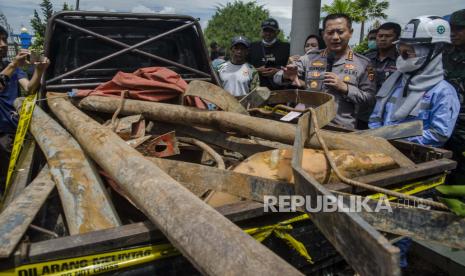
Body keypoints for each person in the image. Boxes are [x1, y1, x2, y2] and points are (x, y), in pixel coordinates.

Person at [274, 13, 376, 129]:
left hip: (341, 130)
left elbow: (370, 100)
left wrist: (346, 88)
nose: (335, 37)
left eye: (340, 32)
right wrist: (286, 75)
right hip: (309, 125)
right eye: (330, 32)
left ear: (350, 32)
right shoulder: (310, 58)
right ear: (323, 35)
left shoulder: (365, 64)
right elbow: (277, 77)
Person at [369, 16, 459, 147]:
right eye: (401, 53)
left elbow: (439, 134)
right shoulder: (394, 81)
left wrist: (395, 141)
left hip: (415, 158)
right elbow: (376, 117)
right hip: (381, 149)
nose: (403, 58)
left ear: (431, 53)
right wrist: (378, 140)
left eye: (409, 53)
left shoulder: (443, 91)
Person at [0, 25, 50, 188]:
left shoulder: (10, 65)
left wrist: (39, 70)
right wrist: (14, 65)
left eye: (4, 39)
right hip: (1, 135)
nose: (3, 44)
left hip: (16, 128)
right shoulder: (11, 66)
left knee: (18, 175)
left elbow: (29, 87)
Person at [360, 22, 401, 129]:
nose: (383, 39)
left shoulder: (402, 61)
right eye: (380, 36)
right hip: (364, 112)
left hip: (387, 114)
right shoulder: (366, 58)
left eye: (388, 36)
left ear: (397, 38)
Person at [444, 9, 465, 184]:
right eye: (451, 28)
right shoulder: (444, 52)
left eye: (459, 29)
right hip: (444, 125)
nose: (453, 33)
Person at [249, 18, 290, 90]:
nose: (268, 33)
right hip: (256, 91)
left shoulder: (287, 47)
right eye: (265, 30)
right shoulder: (252, 47)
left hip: (280, 91)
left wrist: (277, 71)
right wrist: (257, 70)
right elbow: (244, 69)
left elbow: (292, 70)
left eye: (271, 31)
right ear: (261, 31)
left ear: (278, 32)